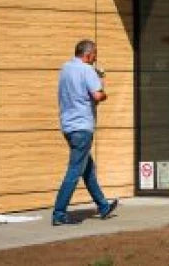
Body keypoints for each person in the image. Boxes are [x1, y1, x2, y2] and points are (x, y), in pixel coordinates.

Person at [52, 39, 118, 225]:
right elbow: (96, 95)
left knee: (87, 169)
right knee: (74, 170)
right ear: (88, 55)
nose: (95, 58)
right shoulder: (87, 70)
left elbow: (76, 90)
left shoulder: (65, 69)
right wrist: (103, 90)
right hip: (82, 127)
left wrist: (94, 75)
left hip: (68, 126)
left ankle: (103, 206)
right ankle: (59, 213)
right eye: (94, 54)